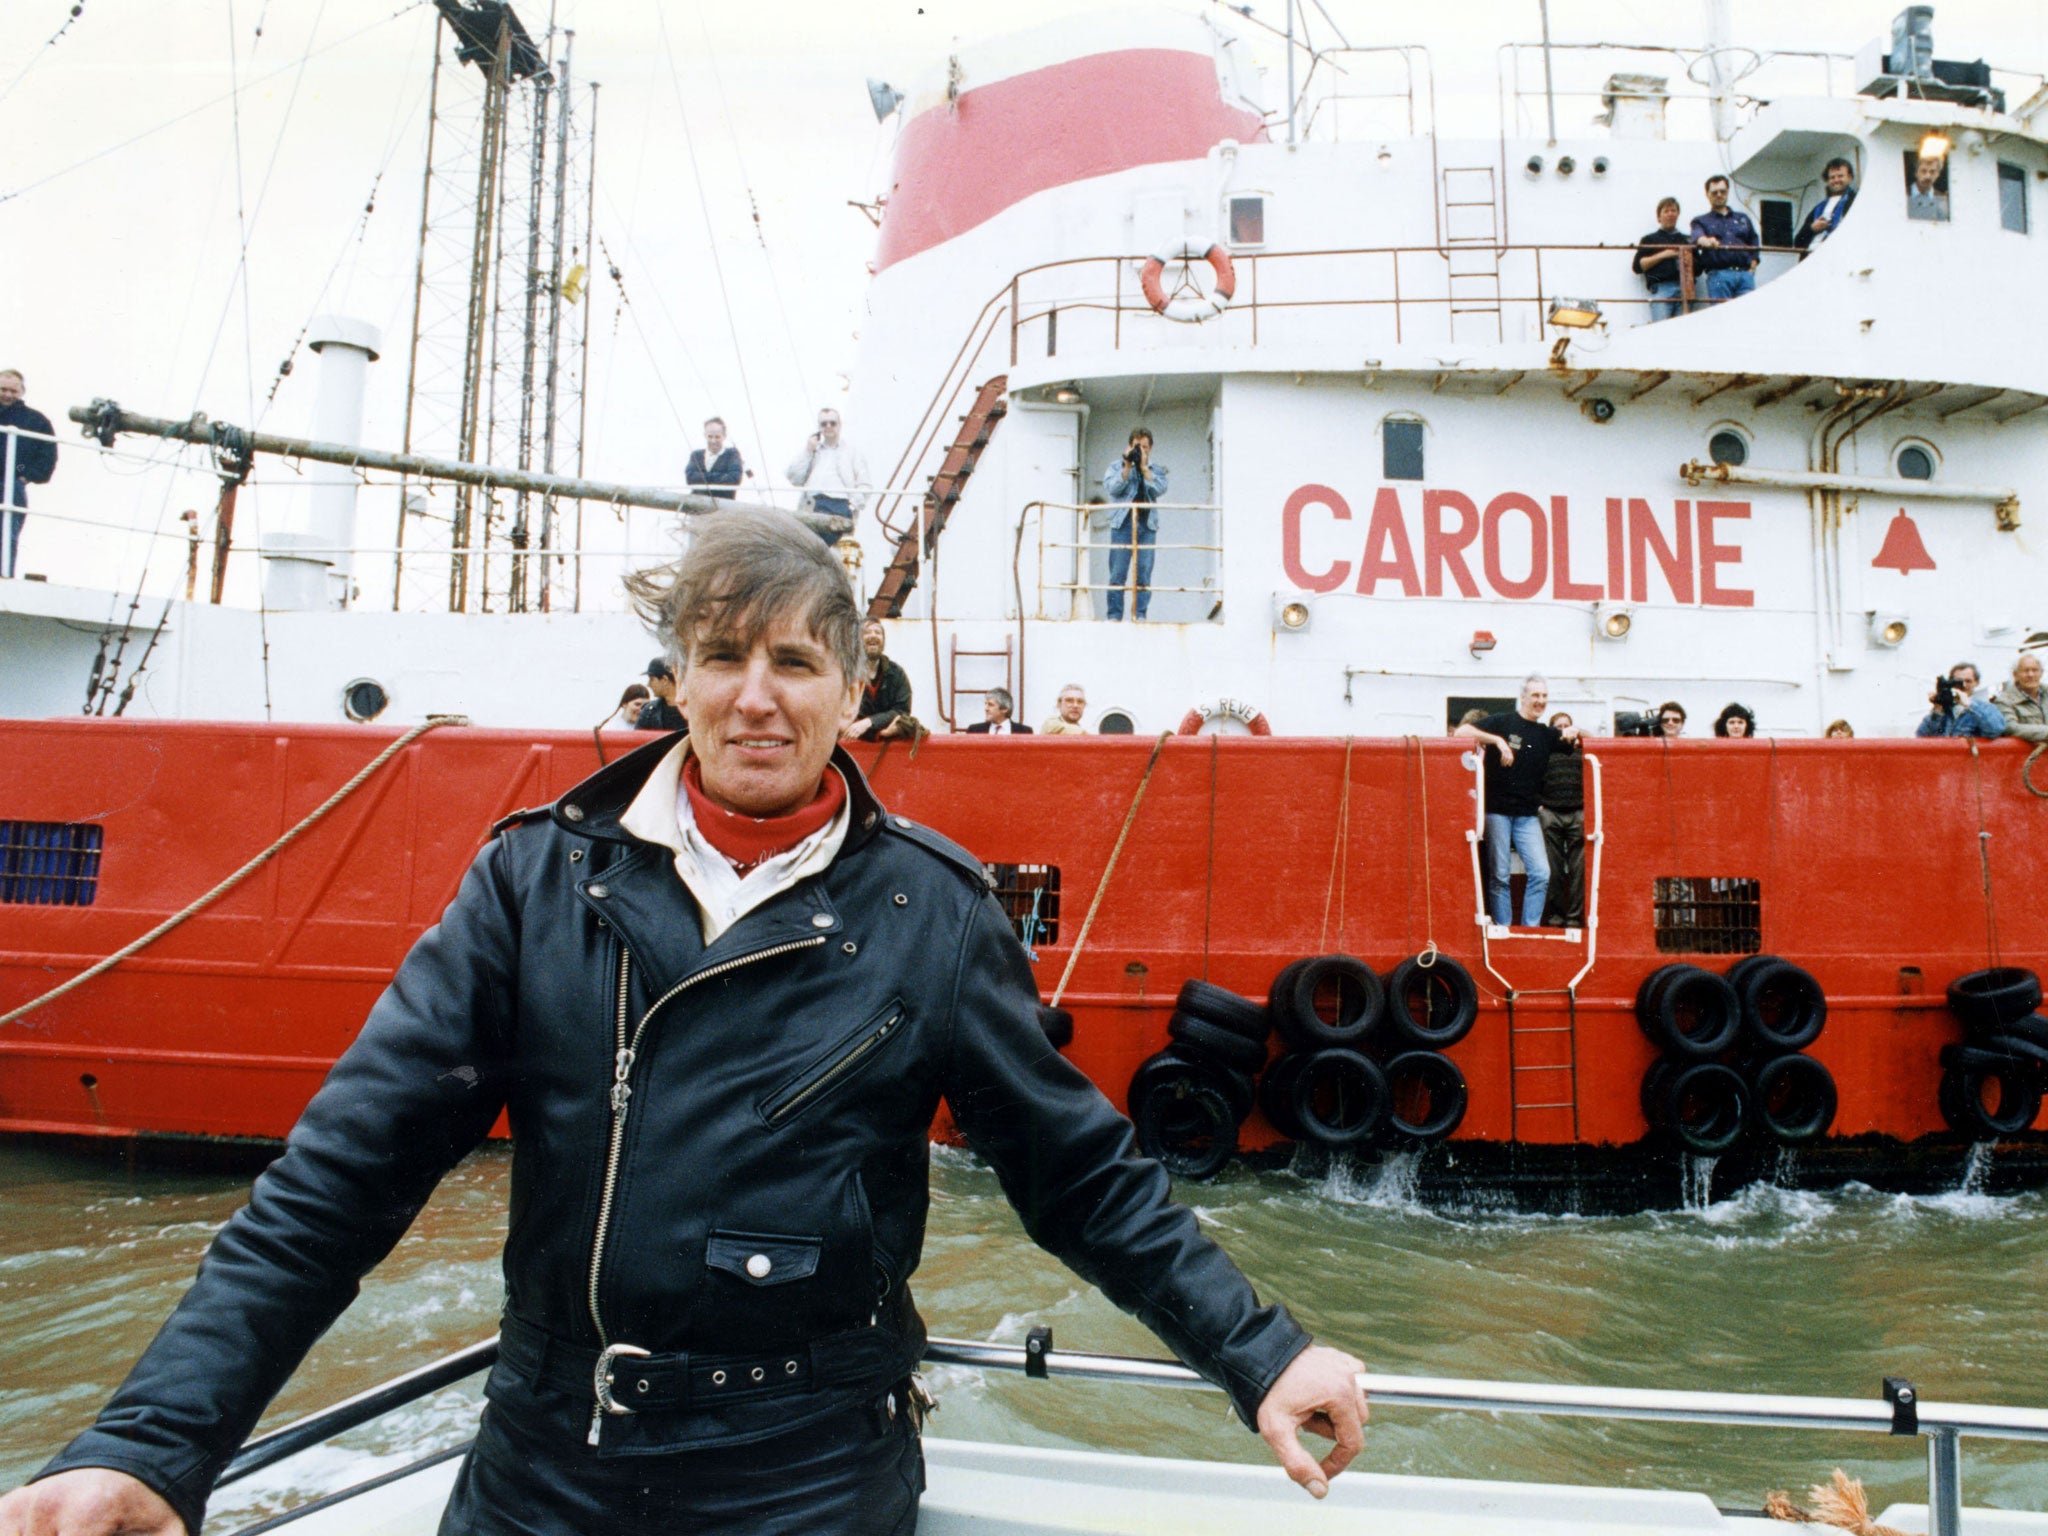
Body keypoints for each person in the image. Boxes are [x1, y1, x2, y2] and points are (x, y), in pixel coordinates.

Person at [5, 509, 1367, 1536]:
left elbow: (1073, 1172)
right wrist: (152, 1440)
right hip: (547, 1460)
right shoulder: (533, 880)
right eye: (721, 657)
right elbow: (338, 1181)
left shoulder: (935, 913)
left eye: (792, 660)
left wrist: (1259, 1350)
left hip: (808, 1472)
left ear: (853, 685)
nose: (756, 696)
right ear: (674, 678)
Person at [1457, 675, 1580, 928]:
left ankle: (1529, 928)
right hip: (1497, 812)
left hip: (1527, 815)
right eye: (1535, 695)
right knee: (1500, 875)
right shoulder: (1503, 721)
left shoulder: (1546, 734)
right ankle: (1503, 930)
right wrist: (1499, 741)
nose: (1540, 701)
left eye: (1544, 696)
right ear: (1523, 697)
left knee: (1541, 873)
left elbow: (1576, 741)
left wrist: (1573, 731)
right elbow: (1462, 731)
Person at [1100, 427, 1167, 621]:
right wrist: (1127, 466)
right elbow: (1112, 487)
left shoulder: (1156, 470)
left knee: (1144, 572)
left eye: (1145, 447)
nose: (1141, 451)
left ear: (1151, 448)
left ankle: (1139, 615)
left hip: (1147, 525)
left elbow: (1160, 489)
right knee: (1117, 572)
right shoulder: (1116, 466)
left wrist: (1145, 468)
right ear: (1129, 446)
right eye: (1137, 447)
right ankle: (1114, 615)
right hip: (1123, 524)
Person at [0, 369, 58, 580]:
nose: (7, 394)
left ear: (22, 391)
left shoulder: (36, 421)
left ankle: (2, 576)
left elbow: (47, 457)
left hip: (11, 486)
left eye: (12, 391)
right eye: (2, 389)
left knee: (5, 534)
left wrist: (25, 477)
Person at [786, 407, 869, 543]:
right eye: (824, 424)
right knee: (805, 545)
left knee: (820, 547)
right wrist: (808, 450)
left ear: (840, 425)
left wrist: (853, 505)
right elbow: (793, 477)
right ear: (819, 428)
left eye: (832, 423)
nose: (828, 426)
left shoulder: (853, 452)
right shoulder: (813, 451)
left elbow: (865, 484)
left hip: (839, 504)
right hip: (812, 504)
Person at [1538, 710, 1585, 929]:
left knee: (1578, 870)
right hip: (1551, 814)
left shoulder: (1582, 751)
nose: (1564, 729)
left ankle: (1574, 918)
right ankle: (1555, 917)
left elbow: (1592, 737)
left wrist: (1576, 733)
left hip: (1577, 813)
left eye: (1568, 725)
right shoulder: (1544, 751)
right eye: (1559, 726)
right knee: (1553, 870)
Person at [1689, 175, 1759, 305]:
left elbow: (1754, 241)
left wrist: (1753, 267)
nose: (1719, 195)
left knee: (1747, 317)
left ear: (1727, 192)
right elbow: (1698, 237)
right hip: (1719, 276)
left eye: (1722, 191)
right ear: (1707, 195)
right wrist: (1707, 242)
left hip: (1745, 276)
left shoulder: (1743, 218)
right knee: (1722, 319)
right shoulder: (1700, 221)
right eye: (1714, 192)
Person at [843, 618, 914, 741]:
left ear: (883, 641)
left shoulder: (896, 674)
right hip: (853, 745)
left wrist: (869, 722)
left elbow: (902, 711)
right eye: (867, 632)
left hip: (889, 747)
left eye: (877, 632)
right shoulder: (847, 673)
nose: (873, 635)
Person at [1633, 197, 1692, 321]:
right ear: (1659, 217)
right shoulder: (1649, 239)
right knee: (1661, 332)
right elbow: (1637, 267)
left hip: (1685, 290)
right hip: (1662, 289)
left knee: (1683, 333)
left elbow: (1698, 269)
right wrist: (1664, 254)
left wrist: (1690, 261)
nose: (1670, 214)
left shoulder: (1686, 240)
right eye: (1666, 211)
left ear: (1678, 215)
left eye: (1673, 211)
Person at [1916, 661, 2007, 739]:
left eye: (1968, 681)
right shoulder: (1945, 708)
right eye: (1958, 681)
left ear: (1977, 683)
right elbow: (1922, 736)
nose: (1963, 685)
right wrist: (1937, 712)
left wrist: (1970, 705)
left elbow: (1996, 730)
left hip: (1971, 758)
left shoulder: (1986, 708)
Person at [1794, 158, 1857, 252]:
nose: (1836, 180)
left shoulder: (1856, 201)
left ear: (1850, 177)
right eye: (1832, 177)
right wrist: (1812, 228)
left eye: (1840, 176)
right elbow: (1797, 242)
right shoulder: (1818, 208)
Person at [685, 416, 745, 501]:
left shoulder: (732, 455)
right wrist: (721, 476)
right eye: (710, 436)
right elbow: (690, 478)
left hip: (723, 509)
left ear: (724, 436)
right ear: (705, 435)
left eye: (717, 437)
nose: (713, 441)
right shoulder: (696, 455)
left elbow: (734, 479)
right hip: (697, 508)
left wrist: (702, 477)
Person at [1992, 652, 2047, 742]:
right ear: (2015, 675)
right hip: (2029, 755)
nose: (2031, 675)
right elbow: (2010, 728)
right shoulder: (2004, 701)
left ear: (2041, 673)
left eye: (2035, 670)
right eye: (2025, 671)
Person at [634, 657, 688, 733]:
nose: (648, 684)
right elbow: (638, 740)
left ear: (665, 680)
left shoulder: (694, 709)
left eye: (652, 679)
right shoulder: (649, 712)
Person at [964, 687, 1031, 735]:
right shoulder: (974, 731)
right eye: (986, 704)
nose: (986, 709)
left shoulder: (1024, 732)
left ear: (1004, 709)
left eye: (990, 705)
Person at [1907, 153, 1950, 222]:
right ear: (1915, 173)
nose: (1928, 176)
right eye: (1923, 171)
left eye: (1932, 172)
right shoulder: (1903, 194)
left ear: (1938, 174)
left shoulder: (1942, 199)